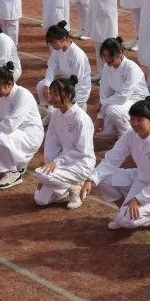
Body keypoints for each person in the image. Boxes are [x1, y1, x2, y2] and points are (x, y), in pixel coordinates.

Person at [84, 96, 150, 231]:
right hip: (139, 178)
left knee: (127, 222)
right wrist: (91, 180)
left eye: (140, 120)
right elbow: (112, 159)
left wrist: (138, 199)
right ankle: (124, 210)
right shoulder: (131, 134)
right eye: (132, 119)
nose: (135, 123)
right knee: (102, 178)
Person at [34, 75, 96, 209]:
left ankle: (74, 187)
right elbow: (52, 142)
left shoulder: (81, 118)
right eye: (51, 93)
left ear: (68, 96)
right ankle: (65, 187)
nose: (50, 98)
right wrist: (49, 164)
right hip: (62, 161)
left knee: (41, 174)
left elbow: (82, 151)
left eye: (55, 94)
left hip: (81, 163)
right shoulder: (56, 114)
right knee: (40, 199)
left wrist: (56, 163)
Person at [0, 64, 44, 190]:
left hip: (30, 135)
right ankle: (21, 162)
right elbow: (0, 120)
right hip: (13, 135)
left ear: (9, 84)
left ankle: (12, 173)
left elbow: (10, 126)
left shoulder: (23, 94)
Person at [97, 37, 149, 138]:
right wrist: (100, 116)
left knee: (112, 110)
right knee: (103, 130)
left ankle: (129, 137)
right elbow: (104, 94)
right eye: (104, 56)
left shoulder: (131, 68)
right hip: (119, 100)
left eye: (110, 56)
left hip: (137, 101)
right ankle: (122, 129)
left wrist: (102, 104)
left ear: (120, 52)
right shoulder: (106, 67)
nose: (107, 60)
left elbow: (122, 97)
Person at [37, 22, 92, 110]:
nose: (52, 46)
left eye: (53, 43)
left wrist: (61, 96)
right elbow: (52, 66)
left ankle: (80, 105)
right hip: (64, 83)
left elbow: (77, 81)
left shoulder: (77, 55)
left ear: (63, 39)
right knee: (41, 85)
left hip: (78, 89)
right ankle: (45, 109)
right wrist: (47, 85)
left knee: (54, 109)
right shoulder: (58, 49)